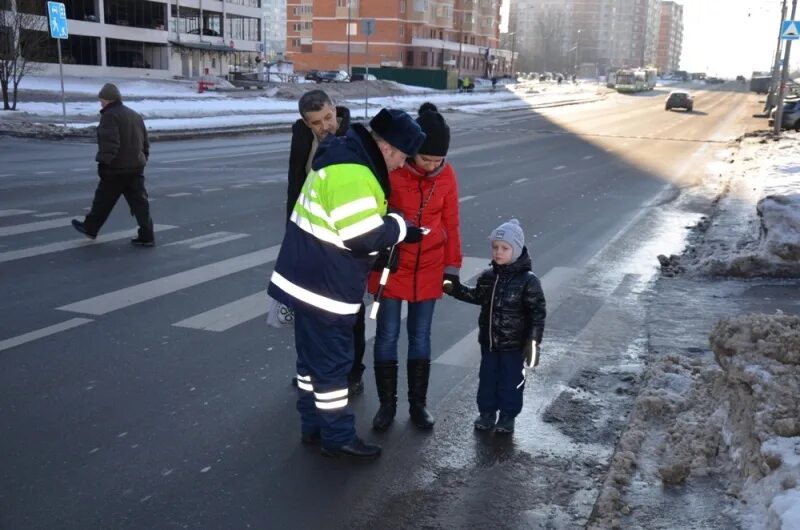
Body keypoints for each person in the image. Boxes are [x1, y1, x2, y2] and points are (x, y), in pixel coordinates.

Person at [268, 108, 426, 459]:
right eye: (402, 156)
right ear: (386, 147)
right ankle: (337, 436)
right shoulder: (354, 172)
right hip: (324, 287)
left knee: (310, 364)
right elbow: (361, 236)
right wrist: (399, 227)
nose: (401, 165)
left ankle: (312, 425)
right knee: (332, 366)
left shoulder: (347, 158)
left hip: (308, 278)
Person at [368, 103, 462, 432]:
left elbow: (451, 221)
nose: (433, 166)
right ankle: (386, 406)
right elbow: (374, 216)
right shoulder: (392, 169)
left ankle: (418, 404)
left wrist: (452, 267)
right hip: (393, 266)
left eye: (439, 161)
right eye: (426, 160)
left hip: (430, 266)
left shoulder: (447, 175)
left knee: (421, 336)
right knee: (387, 335)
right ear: (412, 152)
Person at [285, 89, 366, 396]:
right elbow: (295, 186)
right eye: (316, 122)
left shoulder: (354, 138)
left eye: (328, 117)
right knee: (309, 312)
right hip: (310, 241)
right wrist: (291, 235)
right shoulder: (302, 137)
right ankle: (310, 370)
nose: (324, 126)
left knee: (349, 313)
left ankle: (352, 373)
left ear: (336, 110)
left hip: (345, 243)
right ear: (306, 123)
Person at [443, 219, 546, 434]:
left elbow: (537, 314)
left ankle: (508, 416)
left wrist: (533, 342)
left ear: (516, 250)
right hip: (489, 342)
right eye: (495, 247)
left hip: (514, 345)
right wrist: (455, 289)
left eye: (504, 248)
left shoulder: (529, 281)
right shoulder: (489, 277)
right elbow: (477, 296)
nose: (498, 252)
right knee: (488, 379)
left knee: (511, 380)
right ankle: (487, 413)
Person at [71, 83, 154, 247]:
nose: (100, 103)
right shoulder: (134, 115)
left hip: (116, 168)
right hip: (135, 167)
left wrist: (103, 164)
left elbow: (109, 143)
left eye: (102, 99)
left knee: (103, 200)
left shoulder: (110, 116)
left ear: (109, 99)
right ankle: (147, 235)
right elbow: (145, 143)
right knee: (139, 203)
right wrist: (142, 160)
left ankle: (90, 228)